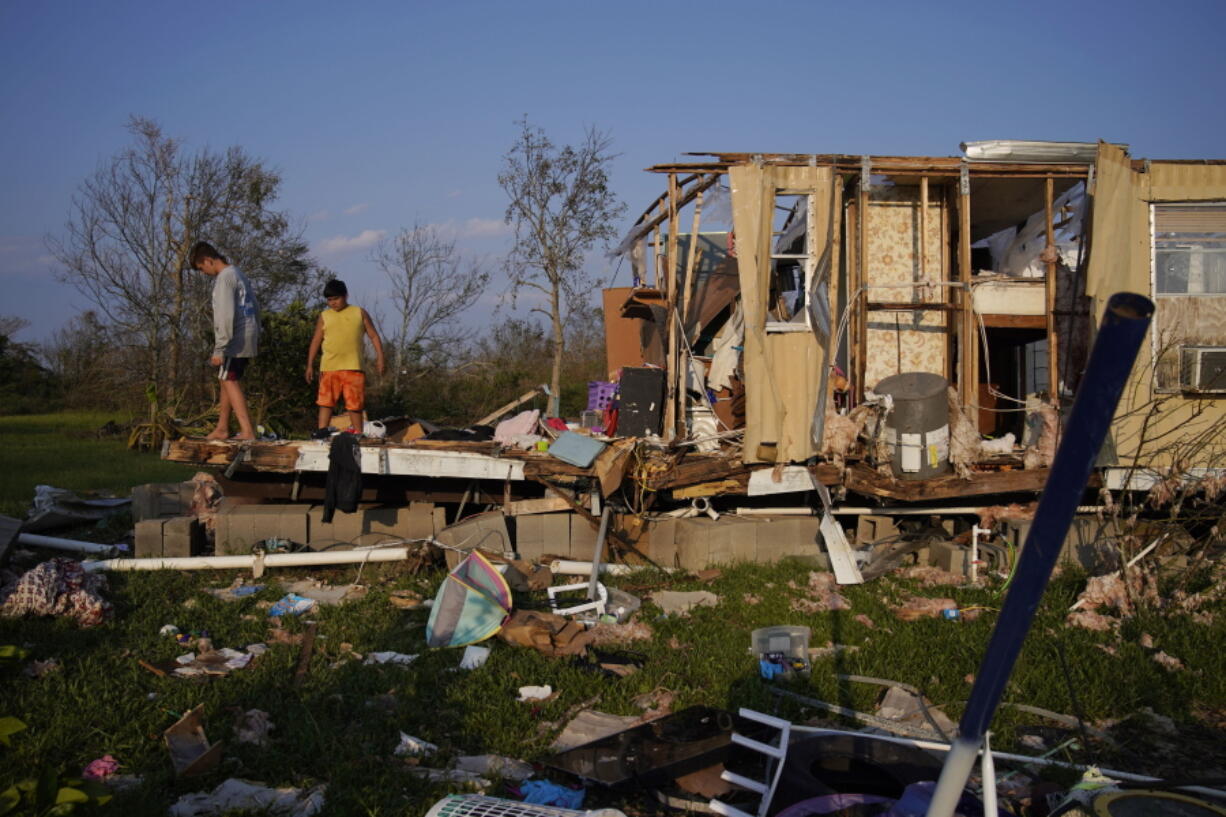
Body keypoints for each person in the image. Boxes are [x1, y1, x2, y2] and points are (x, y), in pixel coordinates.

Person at [191, 241, 260, 441]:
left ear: (208, 260)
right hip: (248, 332)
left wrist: (219, 348)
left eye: (201, 268)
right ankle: (222, 427)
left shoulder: (224, 278)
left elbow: (225, 315)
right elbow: (255, 305)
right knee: (225, 379)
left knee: (229, 380)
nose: (203, 273)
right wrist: (257, 332)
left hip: (234, 337)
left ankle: (247, 431)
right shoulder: (237, 273)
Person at [305, 278, 385, 433]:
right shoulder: (324, 316)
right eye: (329, 300)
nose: (333, 303)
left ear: (346, 296)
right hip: (329, 367)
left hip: (353, 366)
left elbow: (373, 336)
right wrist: (309, 365)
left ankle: (358, 433)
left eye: (336, 298)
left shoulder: (358, 312)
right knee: (326, 402)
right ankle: (322, 433)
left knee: (355, 404)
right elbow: (316, 340)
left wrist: (380, 357)